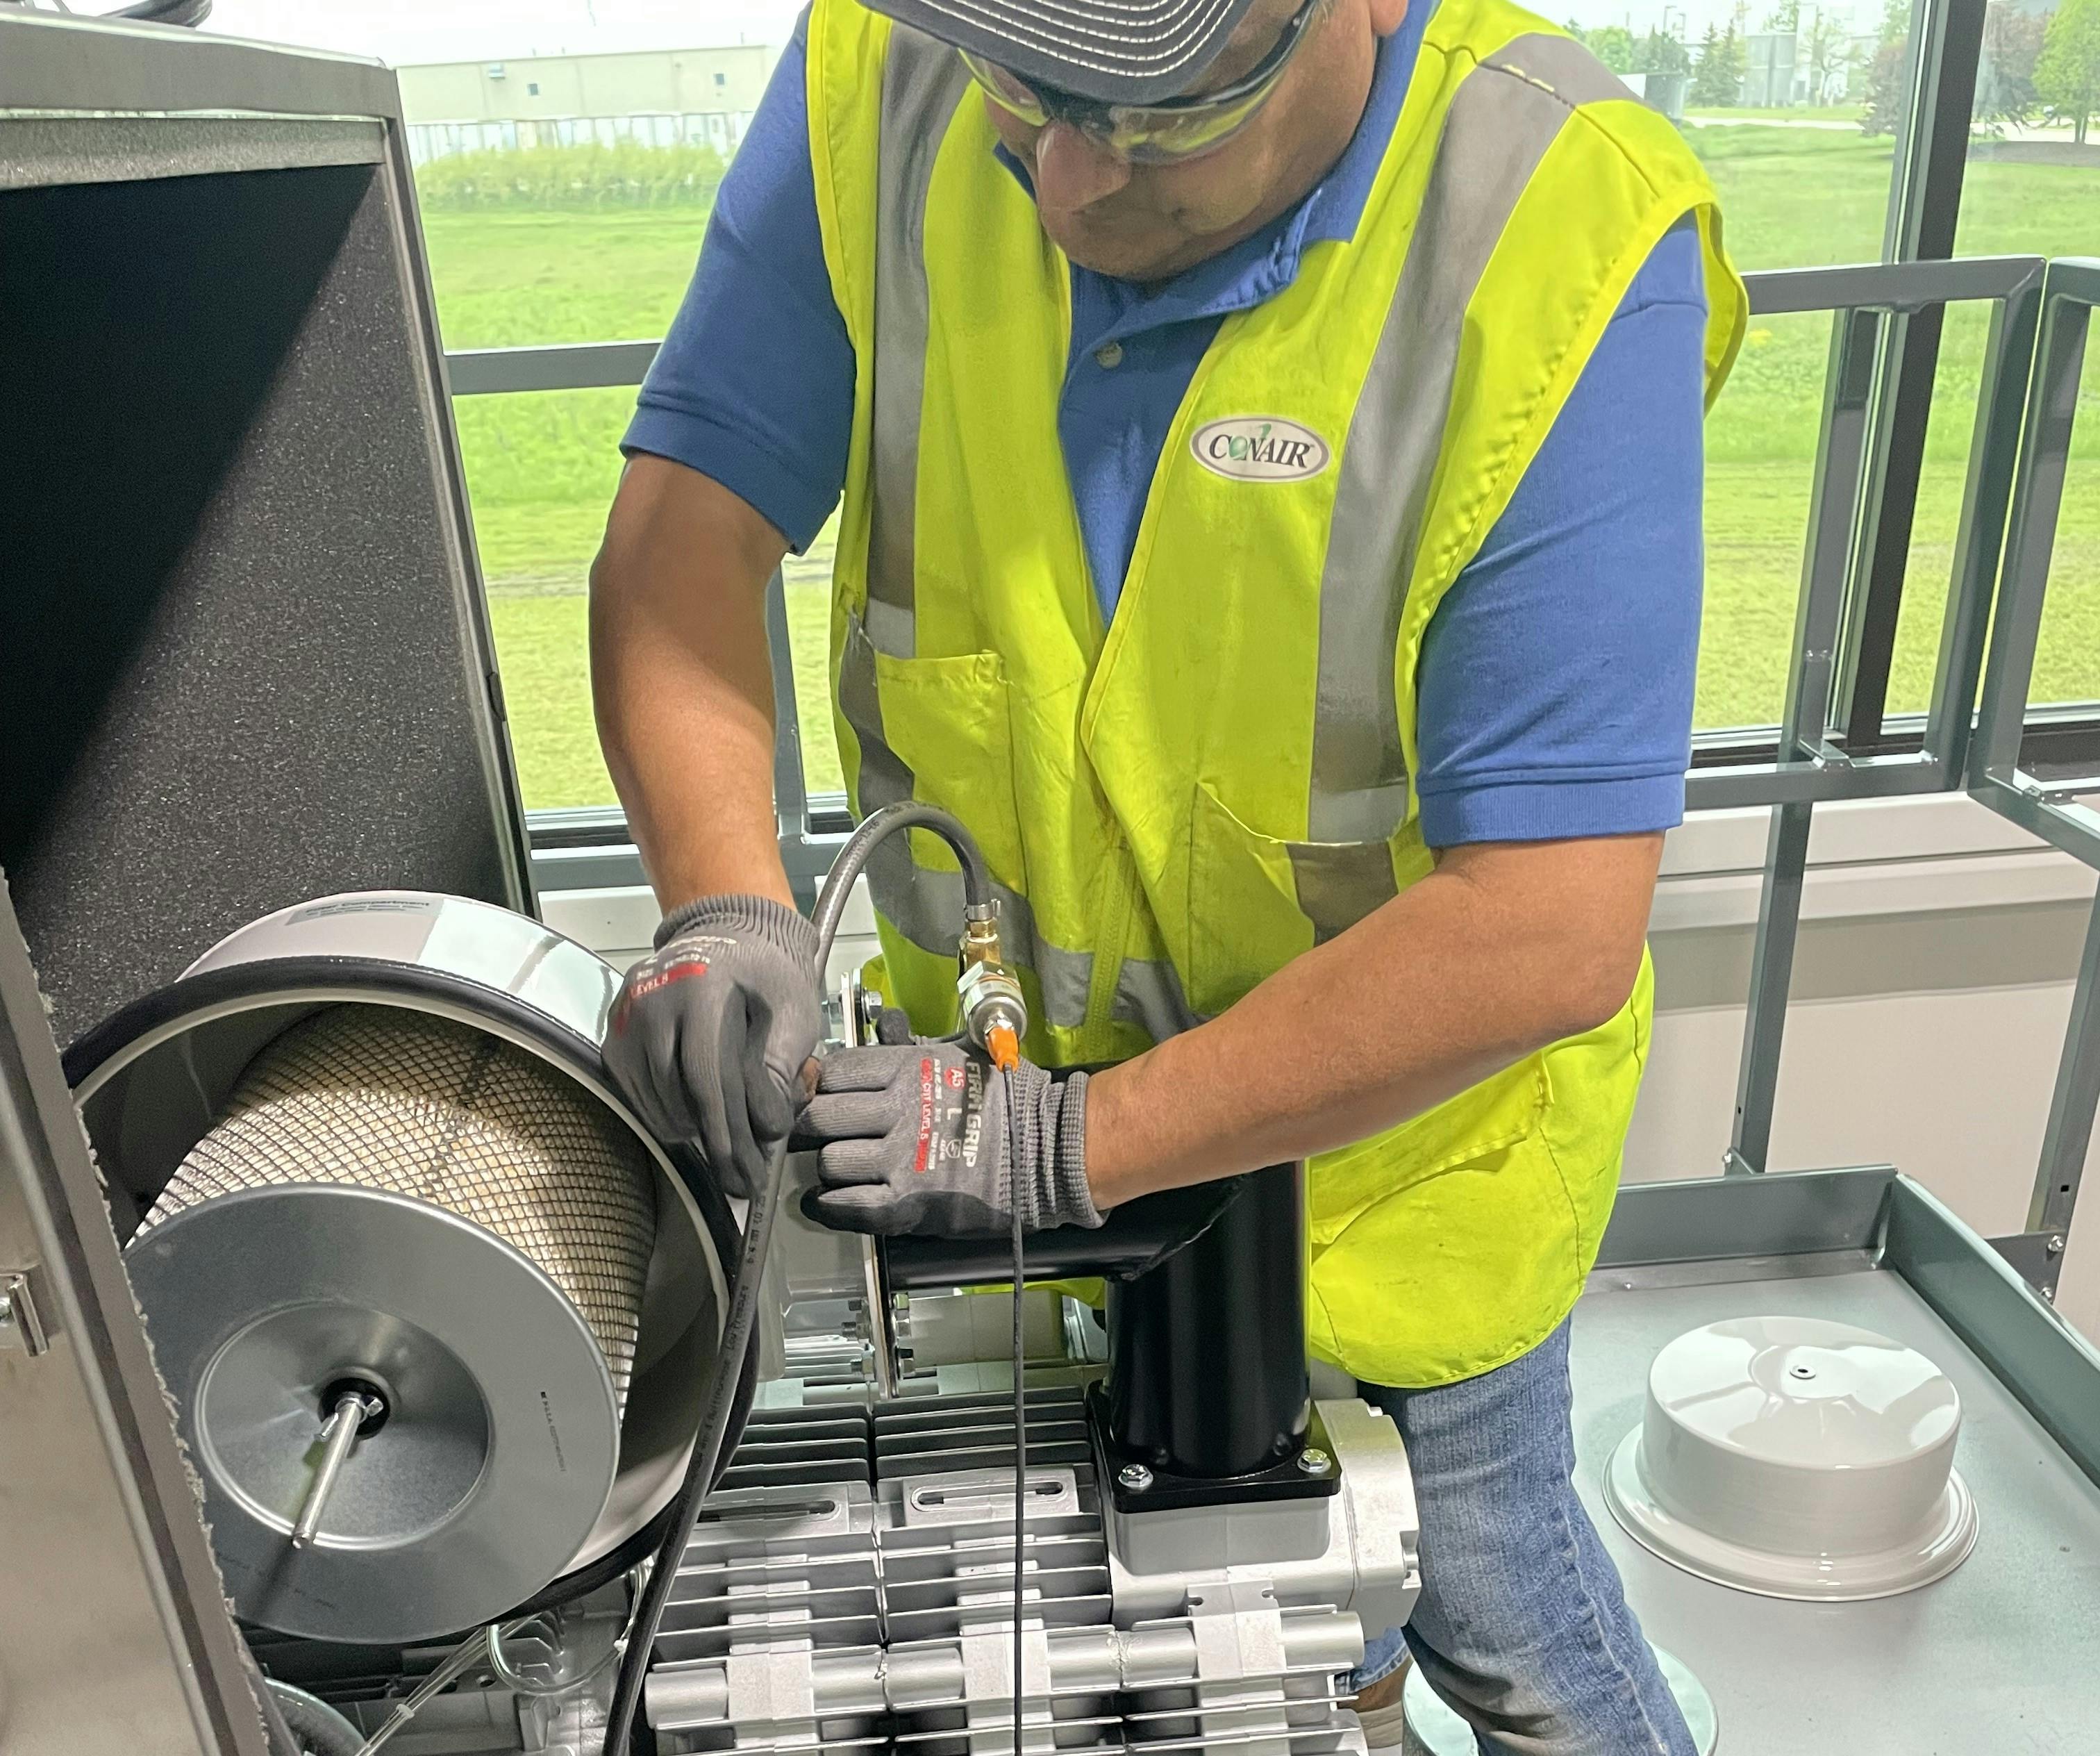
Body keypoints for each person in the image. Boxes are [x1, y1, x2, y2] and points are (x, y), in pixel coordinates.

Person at [592, 0, 1745, 1748]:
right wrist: (726, 899)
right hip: (982, 1178)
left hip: (1387, 1192)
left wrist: (1067, 1145)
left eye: (1146, 124)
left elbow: (1546, 925)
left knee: (1502, 1623)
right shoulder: (880, 77)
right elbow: (688, 531)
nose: (1057, 180)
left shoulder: (1558, 232)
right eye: (1021, 94)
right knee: (1139, 1637)